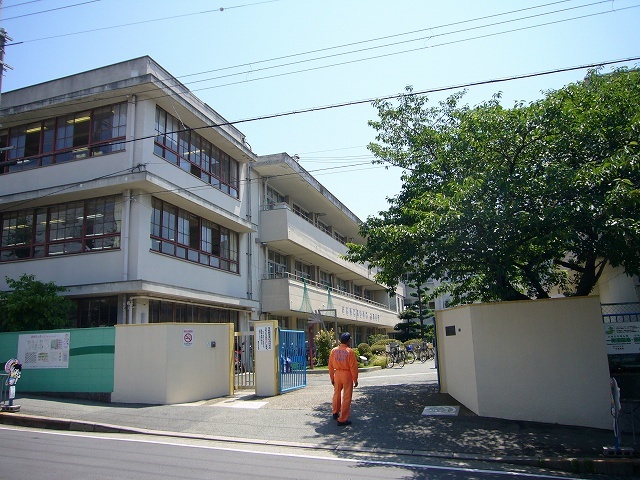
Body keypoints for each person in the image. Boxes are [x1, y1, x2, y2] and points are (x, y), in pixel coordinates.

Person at [328, 332, 359, 426]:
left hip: (337, 373)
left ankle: (335, 412)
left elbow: (330, 365)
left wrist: (332, 377)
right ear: (348, 341)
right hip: (346, 374)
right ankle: (342, 419)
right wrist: (355, 379)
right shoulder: (350, 351)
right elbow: (353, 367)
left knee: (336, 393)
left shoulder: (334, 350)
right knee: (346, 397)